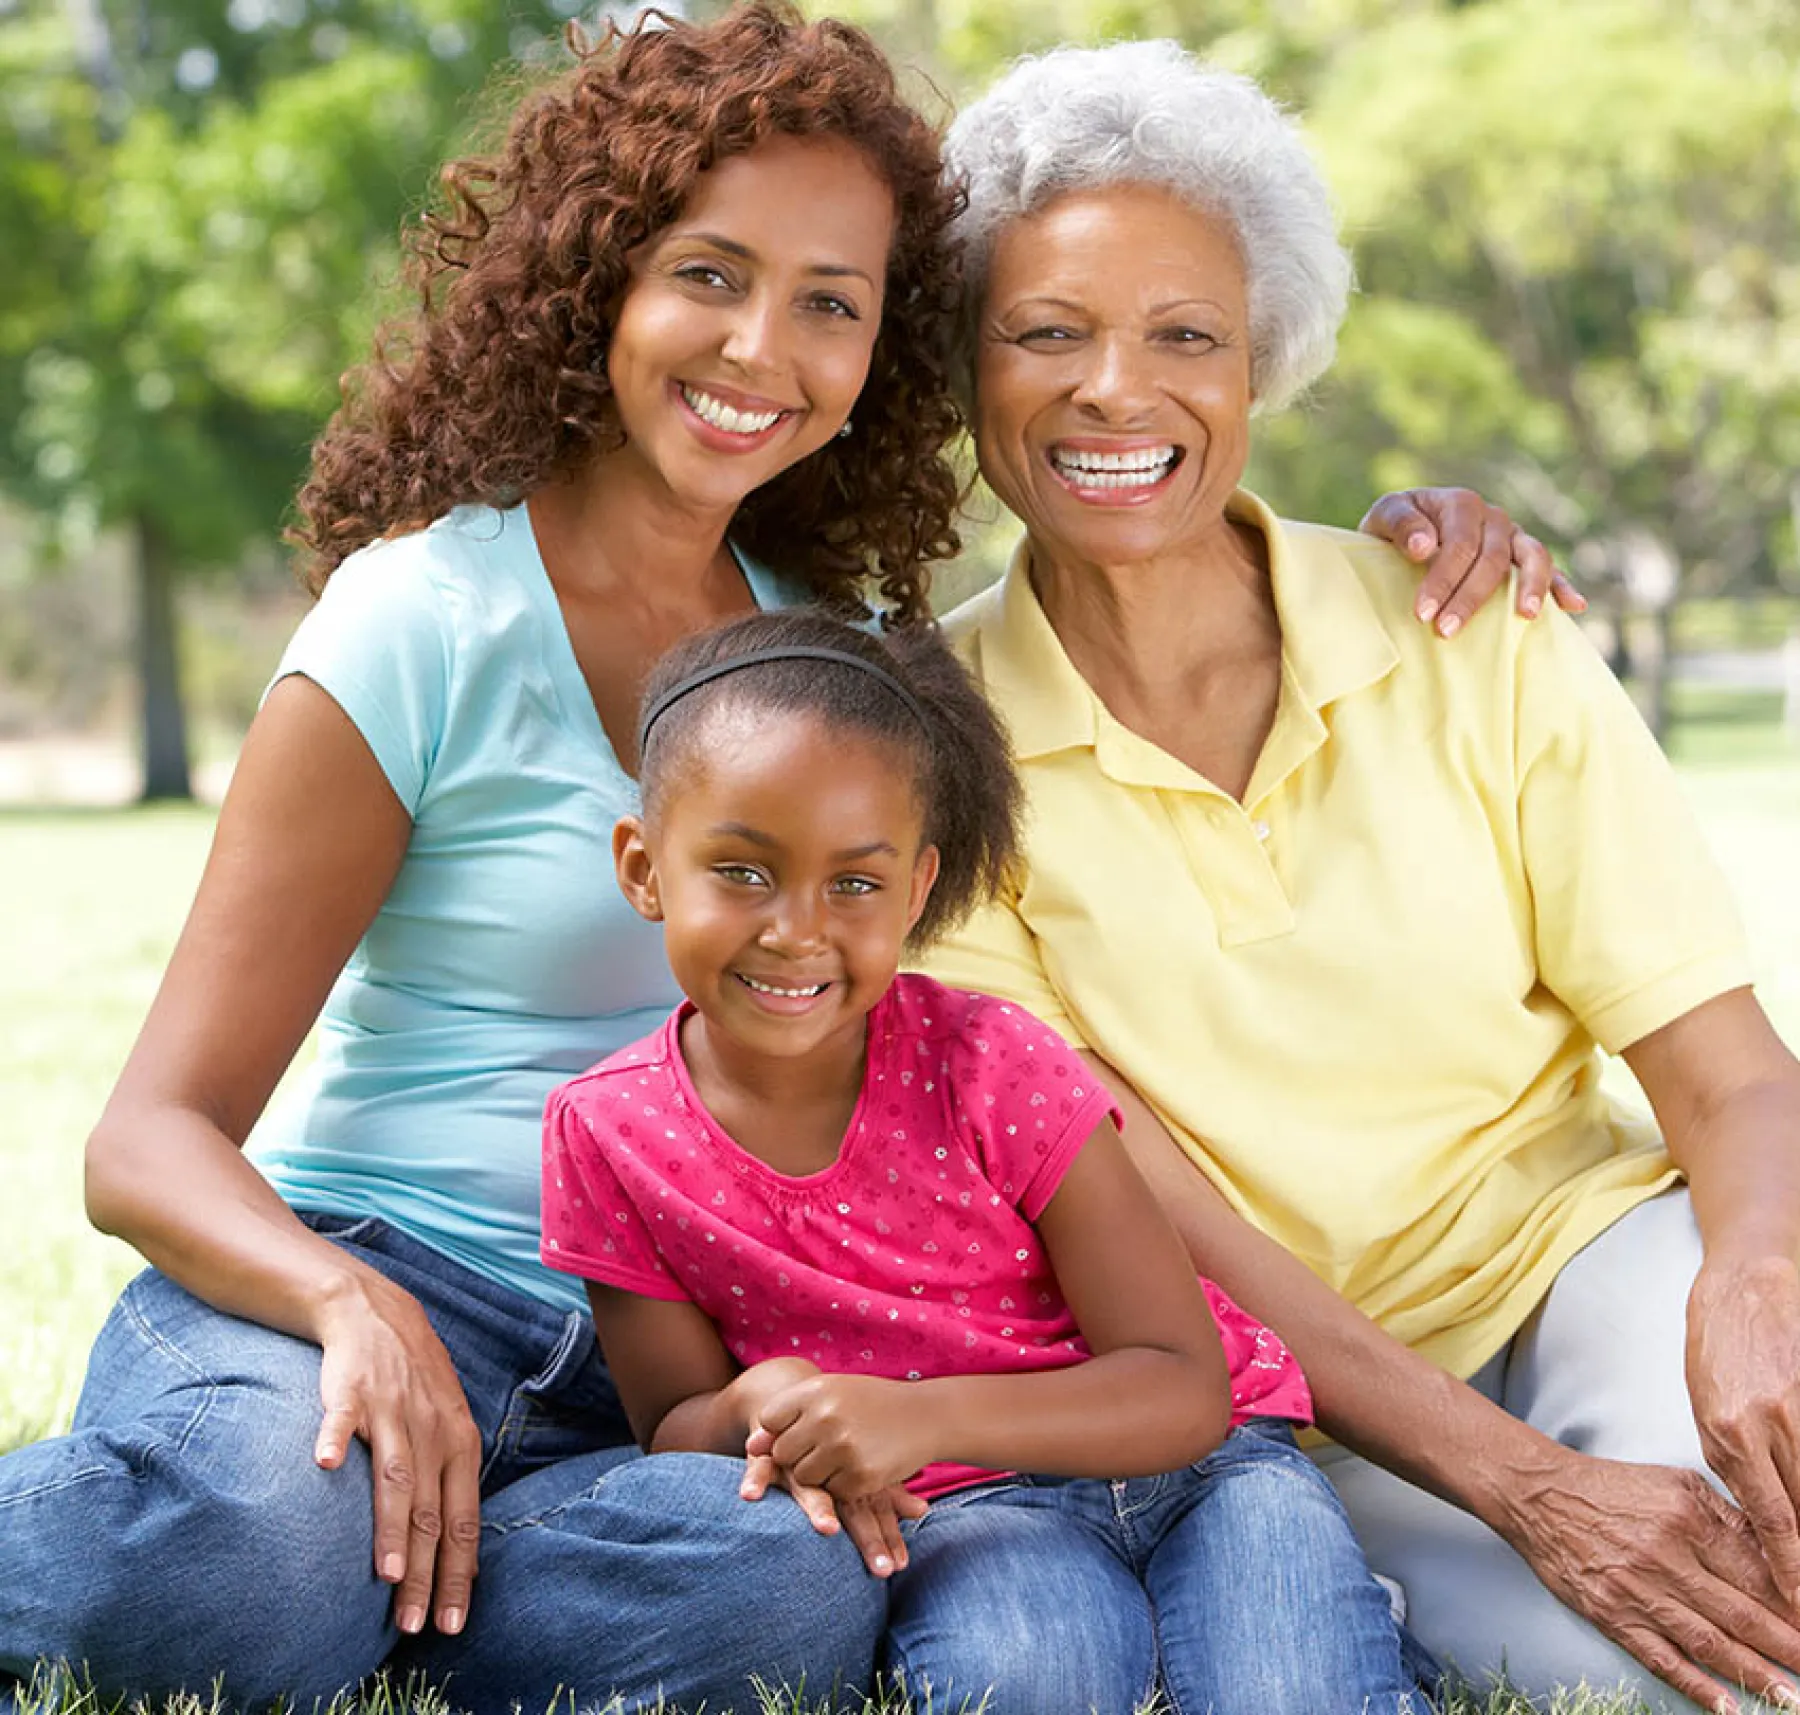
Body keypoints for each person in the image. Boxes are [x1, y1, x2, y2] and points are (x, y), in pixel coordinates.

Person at [0, 4, 1569, 1710]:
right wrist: (347, 1308)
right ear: (599, 281)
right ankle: (299, 1562)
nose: (763, 348)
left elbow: (1142, 528)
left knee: (792, 1582)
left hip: (668, 1371)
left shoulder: (829, 663)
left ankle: (404, 1599)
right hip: (369, 1284)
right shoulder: (424, 618)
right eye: (711, 275)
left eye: (833, 302)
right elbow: (146, 1137)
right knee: (245, 1566)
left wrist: (1425, 528)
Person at [920, 39, 1800, 1715]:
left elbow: (1731, 1069)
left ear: (1263, 363)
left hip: (1591, 1259)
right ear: (963, 363)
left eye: (1187, 336)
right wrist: (1535, 1491)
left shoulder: (1471, 629)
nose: (1117, 390)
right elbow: (1151, 1223)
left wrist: (1758, 1288)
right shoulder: (928, 750)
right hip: (1297, 1398)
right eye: (1046, 332)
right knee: (1667, 1674)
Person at [540, 606, 1429, 1715]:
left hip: (1205, 1473)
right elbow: (673, 1425)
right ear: (643, 867)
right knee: (1027, 1678)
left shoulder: (991, 1061)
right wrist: (750, 1404)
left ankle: (1342, 1627)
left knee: (1289, 1691)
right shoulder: (609, 1132)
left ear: (917, 889)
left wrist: (922, 1416)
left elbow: (1183, 1384)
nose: (796, 929)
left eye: (854, 884)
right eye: (741, 871)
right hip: (966, 1513)